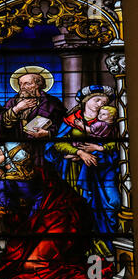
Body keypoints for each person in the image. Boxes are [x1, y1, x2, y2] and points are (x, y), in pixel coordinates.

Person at [0, 145, 114, 279]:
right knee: (28, 267)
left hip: (57, 219)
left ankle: (93, 278)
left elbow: (5, 211)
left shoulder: (13, 180)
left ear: (11, 158)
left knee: (32, 265)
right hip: (44, 222)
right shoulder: (18, 176)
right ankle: (92, 277)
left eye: (1, 152)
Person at [45, 85, 121, 255]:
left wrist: (97, 150)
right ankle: (78, 249)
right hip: (72, 172)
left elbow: (116, 147)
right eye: (97, 100)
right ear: (86, 101)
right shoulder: (71, 121)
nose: (100, 104)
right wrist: (79, 152)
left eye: (104, 102)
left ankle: (102, 248)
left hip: (101, 172)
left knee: (108, 206)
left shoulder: (108, 124)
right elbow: (57, 144)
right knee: (76, 209)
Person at [0, 72, 66, 166]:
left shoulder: (52, 103)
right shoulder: (12, 102)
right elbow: (2, 123)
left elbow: (63, 125)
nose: (22, 87)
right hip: (15, 149)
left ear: (38, 85)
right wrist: (17, 109)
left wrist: (48, 133)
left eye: (27, 83)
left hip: (41, 149)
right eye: (20, 84)